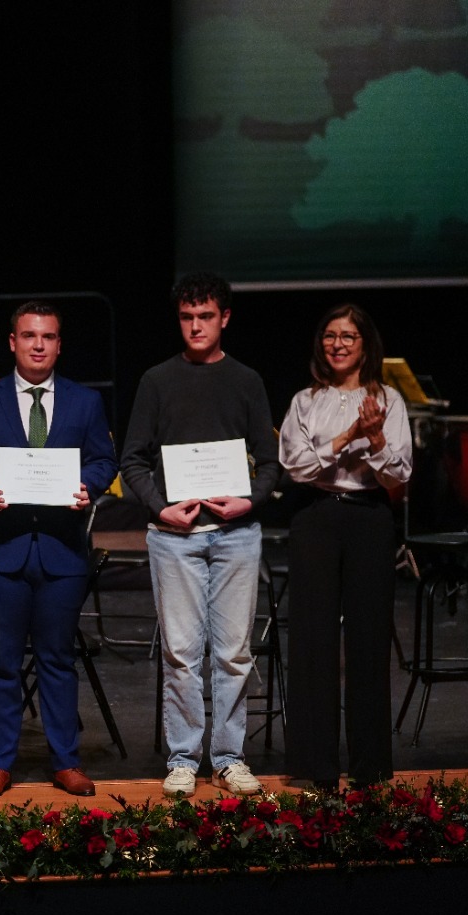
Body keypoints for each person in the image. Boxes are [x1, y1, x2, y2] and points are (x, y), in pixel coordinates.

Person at [0, 303, 117, 799]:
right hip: (2, 550)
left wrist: (88, 485)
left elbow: (103, 460)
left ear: (59, 345)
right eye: (29, 336)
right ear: (12, 342)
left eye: (48, 337)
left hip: (62, 552)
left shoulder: (85, 403)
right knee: (0, 662)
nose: (38, 345)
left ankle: (66, 761)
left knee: (58, 660)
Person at [120, 272, 281, 798]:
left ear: (224, 318)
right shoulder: (156, 381)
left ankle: (230, 757)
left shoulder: (247, 380)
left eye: (205, 316)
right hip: (174, 538)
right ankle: (184, 758)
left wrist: (250, 500)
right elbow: (133, 460)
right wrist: (161, 508)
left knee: (233, 653)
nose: (195, 326)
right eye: (187, 317)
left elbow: (271, 462)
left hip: (236, 534)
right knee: (182, 653)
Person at [279, 304, 411, 789]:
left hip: (369, 518)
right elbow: (296, 465)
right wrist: (349, 435)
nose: (337, 343)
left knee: (368, 641)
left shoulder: (389, 400)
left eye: (348, 336)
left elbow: (399, 472)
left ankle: (369, 768)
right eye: (330, 335)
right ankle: (315, 767)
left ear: (364, 345)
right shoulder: (305, 401)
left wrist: (374, 437)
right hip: (316, 516)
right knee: (312, 641)